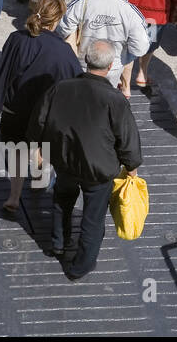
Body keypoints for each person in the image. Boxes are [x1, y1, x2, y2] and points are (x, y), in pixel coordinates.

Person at [28, 40, 142, 280]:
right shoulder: (115, 99)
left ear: (86, 60)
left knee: (62, 202)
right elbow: (127, 138)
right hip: (98, 170)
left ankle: (58, 244)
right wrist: (131, 167)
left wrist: (37, 148)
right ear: (111, 66)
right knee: (93, 218)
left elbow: (38, 121)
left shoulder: (60, 88)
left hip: (65, 162)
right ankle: (81, 265)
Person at [0, 0, 82, 214]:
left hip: (14, 110)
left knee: (17, 153)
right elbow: (73, 85)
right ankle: (39, 180)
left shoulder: (16, 38)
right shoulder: (64, 52)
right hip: (45, 115)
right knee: (43, 147)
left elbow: (3, 72)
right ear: (57, 20)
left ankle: (13, 197)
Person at [58, 0, 151, 92]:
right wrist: (123, 56)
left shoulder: (82, 2)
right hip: (112, 69)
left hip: (82, 65)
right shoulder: (133, 14)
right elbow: (139, 49)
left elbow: (62, 29)